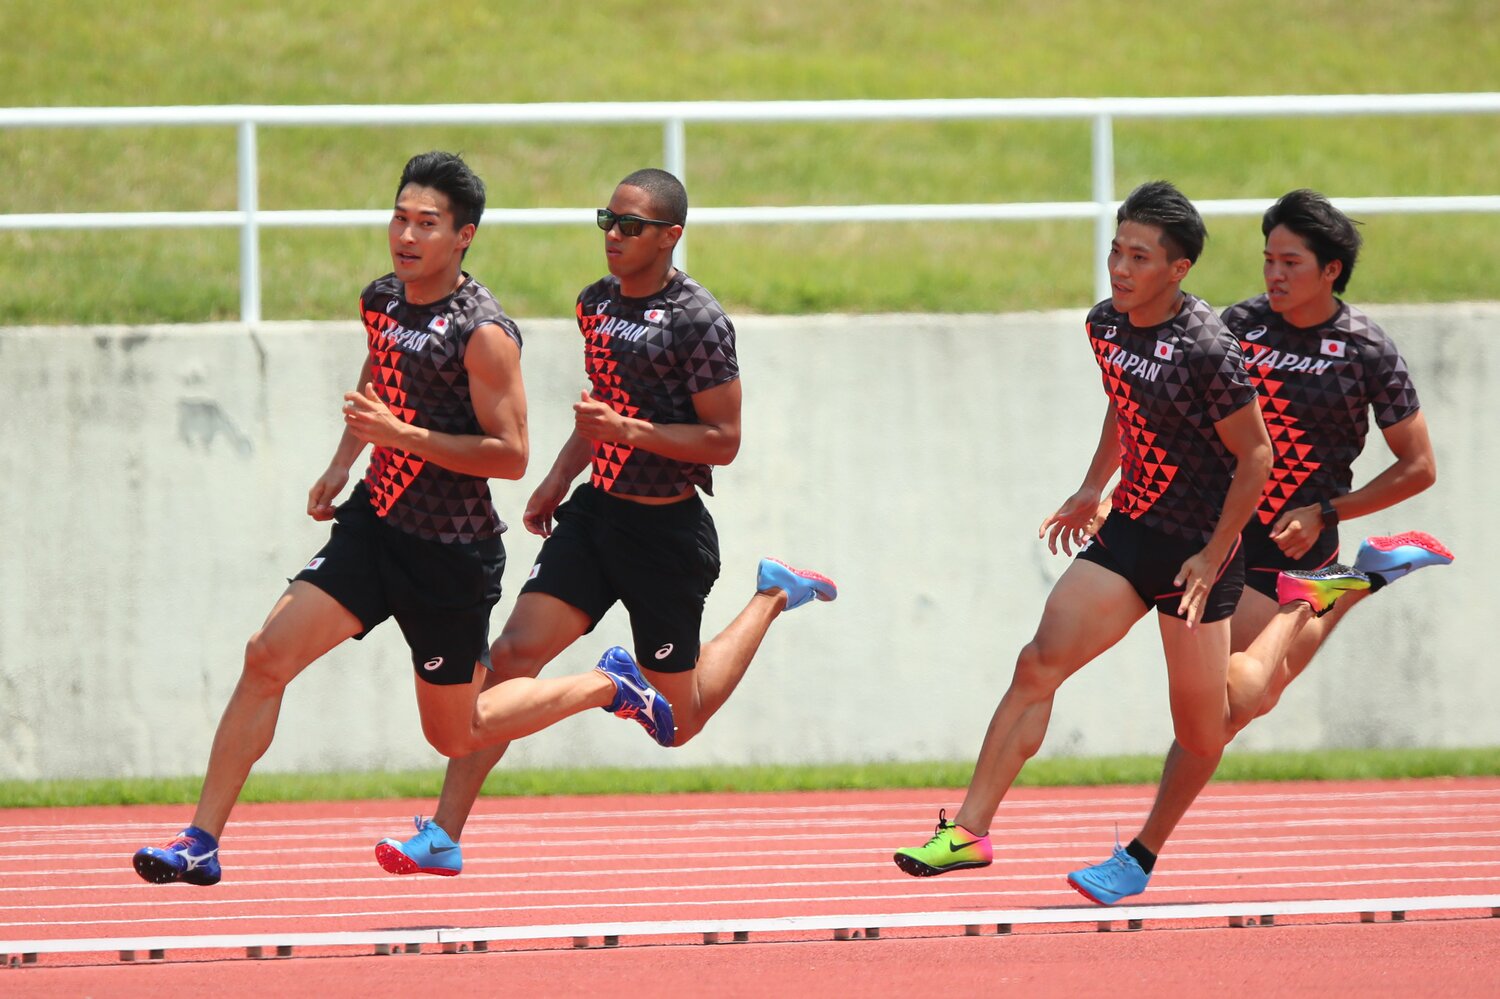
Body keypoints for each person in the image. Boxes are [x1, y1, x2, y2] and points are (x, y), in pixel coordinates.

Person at [372, 168, 836, 876]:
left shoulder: (699, 320)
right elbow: (600, 411)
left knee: (676, 723)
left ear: (671, 236)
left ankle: (772, 594)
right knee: (509, 659)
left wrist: (629, 429)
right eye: (606, 222)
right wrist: (559, 478)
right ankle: (442, 832)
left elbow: (724, 441)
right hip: (595, 519)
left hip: (666, 535)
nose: (613, 236)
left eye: (631, 227)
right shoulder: (595, 304)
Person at [133, 150, 530, 885]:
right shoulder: (382, 299)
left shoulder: (484, 333)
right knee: (266, 655)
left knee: (455, 730)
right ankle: (201, 841)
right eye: (399, 218)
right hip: (374, 527)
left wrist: (403, 437)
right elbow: (379, 376)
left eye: (427, 224)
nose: (406, 236)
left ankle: (608, 684)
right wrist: (345, 458)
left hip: (450, 553)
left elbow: (510, 455)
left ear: (464, 236)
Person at [893, 179, 1302, 878]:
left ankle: (1300, 607)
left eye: (1140, 257)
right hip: (1131, 531)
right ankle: (968, 831)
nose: (1119, 268)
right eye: (1116, 251)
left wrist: (1210, 554)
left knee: (1205, 728)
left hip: (1195, 559)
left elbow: (1257, 454)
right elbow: (1127, 402)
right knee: (1037, 663)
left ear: (1179, 270)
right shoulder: (1105, 325)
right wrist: (1093, 486)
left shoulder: (1209, 347)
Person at [1065, 189, 1452, 906]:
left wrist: (1330, 507)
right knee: (1234, 704)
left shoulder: (1367, 350)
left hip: (1298, 545)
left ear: (1331, 270)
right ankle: (1353, 581)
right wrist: (1118, 488)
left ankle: (1140, 854)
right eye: (1267, 258)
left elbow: (1419, 466)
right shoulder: (1233, 325)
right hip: (1222, 538)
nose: (1273, 275)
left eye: (1291, 263)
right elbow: (1145, 404)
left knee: (1238, 701)